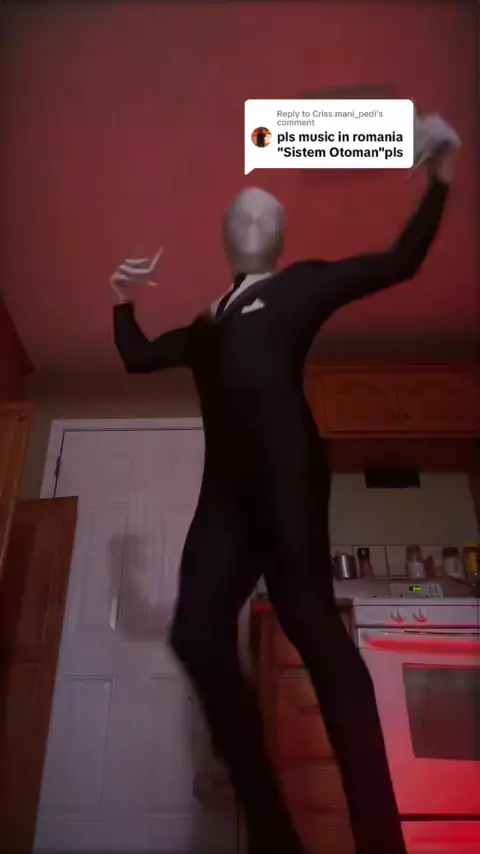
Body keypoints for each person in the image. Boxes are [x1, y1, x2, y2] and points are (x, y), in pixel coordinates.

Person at [110, 138, 456, 854]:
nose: (253, 220)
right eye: (242, 214)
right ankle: (273, 836)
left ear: (281, 238)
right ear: (226, 236)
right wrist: (122, 298)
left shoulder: (300, 285)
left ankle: (381, 840)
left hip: (287, 471)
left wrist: (440, 176)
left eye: (266, 215)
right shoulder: (205, 327)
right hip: (226, 494)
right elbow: (138, 356)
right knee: (193, 630)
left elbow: (401, 260)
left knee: (313, 628)